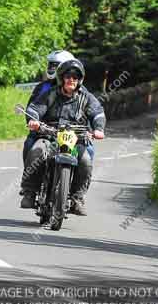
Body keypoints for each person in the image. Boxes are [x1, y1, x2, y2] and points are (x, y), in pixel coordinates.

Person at [20, 58, 105, 216]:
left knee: (85, 160)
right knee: (37, 151)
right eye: (68, 76)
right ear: (61, 78)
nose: (71, 80)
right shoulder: (50, 94)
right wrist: (33, 120)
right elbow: (34, 108)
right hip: (49, 135)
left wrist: (98, 128)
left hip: (75, 139)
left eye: (75, 77)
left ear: (80, 80)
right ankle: (30, 192)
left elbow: (97, 113)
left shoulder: (86, 97)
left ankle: (77, 198)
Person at [22, 49, 74, 165]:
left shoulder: (78, 88)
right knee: (30, 145)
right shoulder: (42, 87)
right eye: (51, 65)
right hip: (44, 131)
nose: (52, 68)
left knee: (86, 155)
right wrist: (33, 120)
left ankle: (81, 178)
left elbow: (92, 109)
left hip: (71, 133)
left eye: (55, 65)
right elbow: (32, 107)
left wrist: (94, 128)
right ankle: (29, 177)